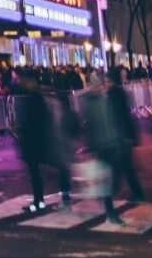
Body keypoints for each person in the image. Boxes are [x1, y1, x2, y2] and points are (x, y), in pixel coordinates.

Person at [84, 67, 142, 223]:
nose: (102, 87)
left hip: (115, 143)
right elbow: (91, 125)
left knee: (112, 177)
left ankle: (110, 205)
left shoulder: (111, 98)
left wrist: (124, 138)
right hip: (103, 145)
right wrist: (92, 146)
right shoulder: (92, 102)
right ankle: (111, 212)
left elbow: (119, 119)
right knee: (108, 179)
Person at [15, 78, 72, 209]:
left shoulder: (38, 102)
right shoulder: (47, 102)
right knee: (54, 172)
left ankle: (42, 201)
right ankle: (47, 201)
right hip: (46, 142)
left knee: (40, 174)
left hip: (42, 143)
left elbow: (33, 124)